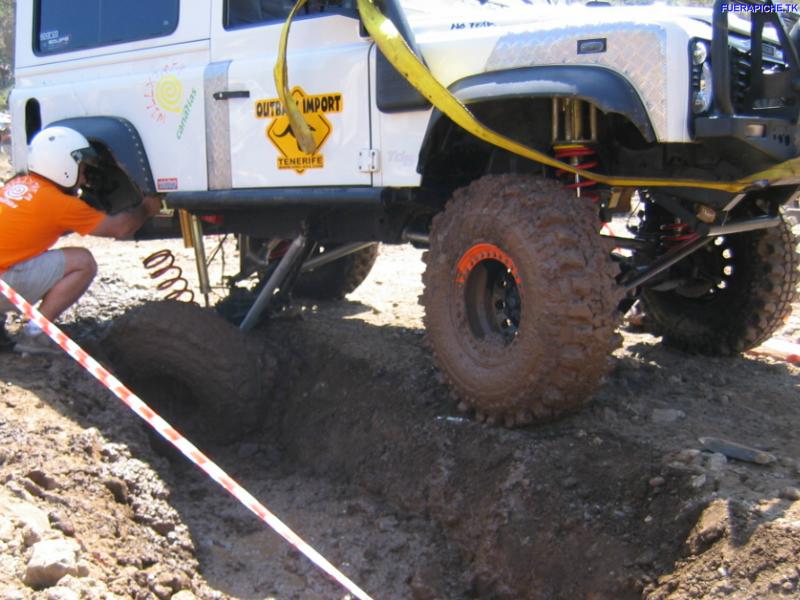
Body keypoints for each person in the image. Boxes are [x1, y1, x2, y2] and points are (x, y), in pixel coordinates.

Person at [0, 126, 161, 355]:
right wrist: (146, 207)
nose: (84, 179)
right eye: (82, 169)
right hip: (4, 285)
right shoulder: (60, 204)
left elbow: (38, 227)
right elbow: (121, 227)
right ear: (63, 166)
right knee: (82, 261)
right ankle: (36, 334)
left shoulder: (18, 184)